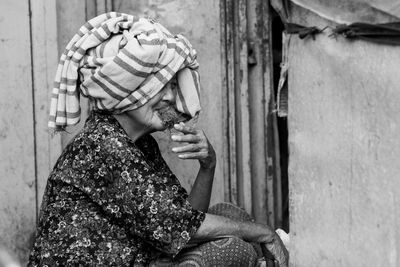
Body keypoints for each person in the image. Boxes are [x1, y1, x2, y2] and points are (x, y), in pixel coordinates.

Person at [28, 12, 288, 266]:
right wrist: (263, 232)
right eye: (158, 86)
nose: (170, 98)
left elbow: (183, 220)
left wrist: (208, 164)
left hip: (141, 254)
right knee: (231, 250)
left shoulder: (138, 144)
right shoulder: (102, 146)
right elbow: (180, 228)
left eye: (172, 87)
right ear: (126, 93)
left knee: (230, 215)